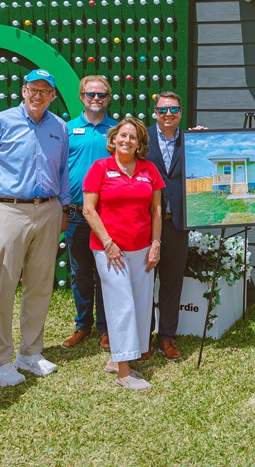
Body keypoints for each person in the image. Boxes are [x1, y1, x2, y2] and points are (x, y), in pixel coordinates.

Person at [0, 68, 70, 387]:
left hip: (49, 209)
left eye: (45, 91)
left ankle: (30, 353)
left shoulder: (60, 127)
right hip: (9, 211)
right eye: (33, 89)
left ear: (53, 96)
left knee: (40, 285)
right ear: (23, 90)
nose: (38, 95)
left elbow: (64, 170)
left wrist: (64, 208)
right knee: (2, 285)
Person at [83, 117, 164, 390]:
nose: (127, 141)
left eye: (133, 137)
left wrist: (156, 243)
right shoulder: (100, 168)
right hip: (110, 251)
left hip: (142, 249)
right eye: (123, 136)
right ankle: (124, 373)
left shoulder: (149, 169)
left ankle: (124, 356)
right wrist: (108, 243)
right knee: (122, 306)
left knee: (141, 305)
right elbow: (88, 210)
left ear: (140, 144)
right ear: (113, 140)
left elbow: (156, 211)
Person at [61, 75, 117, 350]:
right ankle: (83, 326)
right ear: (82, 97)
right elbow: (58, 169)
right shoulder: (66, 129)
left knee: (107, 271)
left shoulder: (118, 131)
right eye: (91, 94)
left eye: (102, 94)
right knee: (80, 272)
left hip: (109, 214)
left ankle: (107, 328)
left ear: (109, 98)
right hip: (75, 213)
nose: (96, 99)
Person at [146, 91, 196, 359]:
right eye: (163, 110)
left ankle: (167, 337)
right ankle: (143, 338)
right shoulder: (143, 139)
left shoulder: (190, 140)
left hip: (177, 223)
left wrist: (203, 140)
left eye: (174, 110)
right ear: (155, 112)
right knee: (144, 282)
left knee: (171, 282)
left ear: (180, 113)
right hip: (145, 223)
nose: (168, 115)